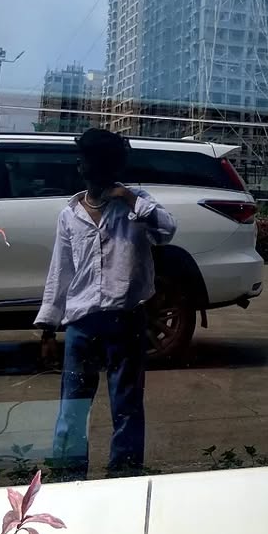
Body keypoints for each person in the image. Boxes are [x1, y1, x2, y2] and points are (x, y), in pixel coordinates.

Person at [35, 127, 176, 479]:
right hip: (81, 326)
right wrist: (48, 329)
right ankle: (68, 478)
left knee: (126, 406)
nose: (81, 165)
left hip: (126, 321)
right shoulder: (70, 214)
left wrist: (128, 198)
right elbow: (60, 272)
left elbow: (167, 230)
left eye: (88, 159)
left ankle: (123, 476)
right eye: (81, 159)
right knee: (72, 408)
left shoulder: (136, 204)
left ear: (108, 165)